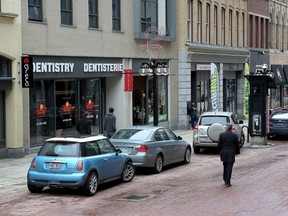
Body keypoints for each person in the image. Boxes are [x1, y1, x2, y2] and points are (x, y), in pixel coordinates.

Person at [217, 123, 240, 187]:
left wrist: (221, 151)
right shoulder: (234, 135)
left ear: (226, 128)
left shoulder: (221, 135)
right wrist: (237, 152)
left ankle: (225, 178)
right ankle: (228, 181)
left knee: (225, 165)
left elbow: (219, 144)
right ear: (231, 128)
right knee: (229, 167)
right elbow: (237, 145)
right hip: (231, 152)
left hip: (224, 152)